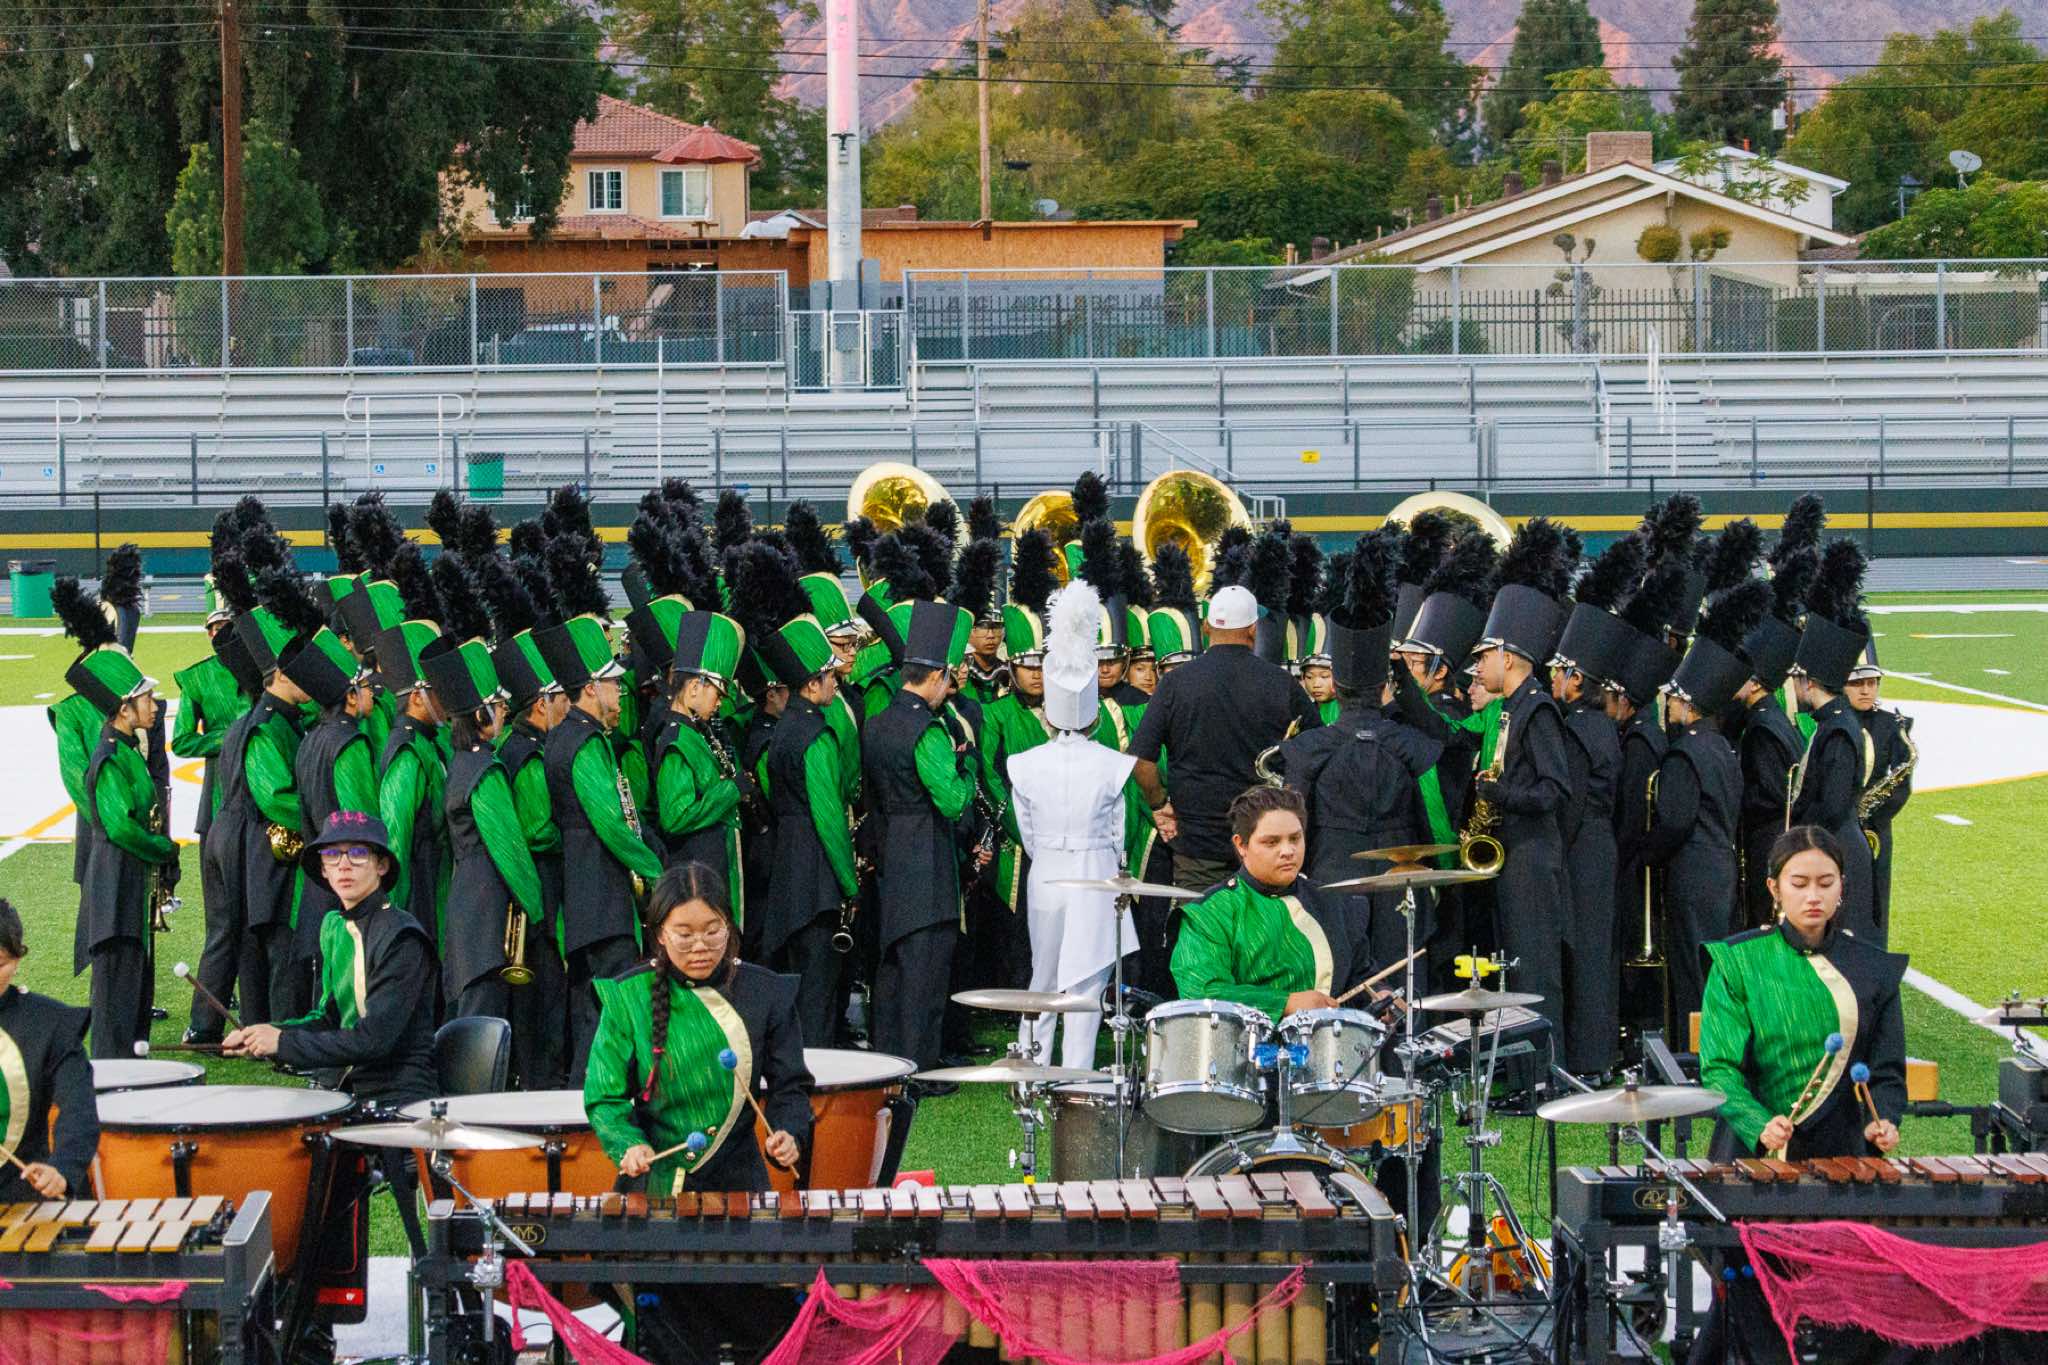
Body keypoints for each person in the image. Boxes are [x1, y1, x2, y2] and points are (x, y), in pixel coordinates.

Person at [1690, 826, 1907, 1365]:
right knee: (1750, 1298)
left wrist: (1885, 1119)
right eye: (1800, 883)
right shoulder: (1739, 962)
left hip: (1845, 1155)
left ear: (1842, 887)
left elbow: (1886, 1072)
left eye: (1825, 883)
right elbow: (1718, 1070)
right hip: (1755, 1156)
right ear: (1774, 888)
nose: (1813, 896)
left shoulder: (1872, 969)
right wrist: (1758, 1121)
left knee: (1850, 1303)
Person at [585, 862, 813, 1364]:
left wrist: (789, 1133)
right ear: (659, 934)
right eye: (683, 934)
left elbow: (791, 1088)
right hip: (653, 1190)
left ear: (729, 926)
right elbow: (604, 1098)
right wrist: (627, 1144)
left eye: (712, 931)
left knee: (753, 1329)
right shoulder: (627, 996)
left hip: (738, 1188)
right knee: (665, 1338)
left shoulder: (766, 992)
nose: (700, 946)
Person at [1272, 533, 1446, 969]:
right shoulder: (1417, 750)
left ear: (1337, 686)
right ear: (1384, 684)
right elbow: (1437, 820)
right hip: (1401, 887)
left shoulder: (1306, 749)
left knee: (1338, 985)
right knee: (1402, 984)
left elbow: (1294, 826)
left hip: (1330, 886)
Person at [226, 811, 439, 1104]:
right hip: (346, 1086)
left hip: (398, 1095)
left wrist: (283, 1043)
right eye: (332, 855)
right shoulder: (334, 926)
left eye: (358, 853)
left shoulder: (402, 937)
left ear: (382, 865)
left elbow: (373, 1040)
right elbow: (329, 1018)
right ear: (324, 870)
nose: (344, 865)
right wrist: (270, 1032)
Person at [1008, 581, 1135, 1071]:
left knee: (1042, 973)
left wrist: (1051, 851)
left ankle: (1033, 1066)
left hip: (1046, 871)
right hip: (1095, 871)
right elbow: (1119, 833)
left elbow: (1027, 832)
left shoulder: (1024, 764)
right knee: (1087, 982)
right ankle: (1076, 1073)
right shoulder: (1112, 764)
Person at [1464, 519, 1576, 1040]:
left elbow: (1555, 789)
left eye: (1484, 656)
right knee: (1516, 966)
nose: (1479, 667)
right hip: (1515, 854)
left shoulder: (1538, 709)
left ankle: (1545, 1066)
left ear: (1507, 657)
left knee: (1535, 971)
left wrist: (1499, 793)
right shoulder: (1512, 706)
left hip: (1533, 857)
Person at [540, 611, 665, 1078]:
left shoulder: (564, 735)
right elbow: (611, 823)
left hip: (582, 894)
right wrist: (656, 872)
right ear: (591, 688)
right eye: (611, 683)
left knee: (590, 1010)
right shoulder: (586, 742)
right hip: (601, 894)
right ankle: (592, 1098)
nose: (619, 691)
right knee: (608, 1010)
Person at [1132, 583, 1318, 893]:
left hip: (1197, 844)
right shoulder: (1281, 683)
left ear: (1206, 627)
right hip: (1262, 843)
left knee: (1202, 922)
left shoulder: (1175, 683)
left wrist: (1159, 804)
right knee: (1262, 924)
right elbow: (1316, 749)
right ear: (1253, 630)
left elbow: (1141, 760)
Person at [1639, 584, 1762, 1036]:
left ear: (1688, 704)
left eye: (1673, 699)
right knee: (1718, 965)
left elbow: (1675, 821)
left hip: (1691, 873)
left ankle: (1694, 1053)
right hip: (1722, 868)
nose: (1669, 705)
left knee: (1692, 969)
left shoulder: (1684, 752)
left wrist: (1644, 853)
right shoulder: (1722, 747)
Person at [863, 600, 980, 1075]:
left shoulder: (876, 723)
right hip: (927, 857)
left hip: (890, 850)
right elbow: (951, 800)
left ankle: (888, 1057)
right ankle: (921, 1067)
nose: (949, 690)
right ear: (934, 676)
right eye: (947, 680)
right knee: (927, 971)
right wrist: (966, 766)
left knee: (895, 967)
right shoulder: (927, 730)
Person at [65, 606, 178, 1061]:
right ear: (123, 709)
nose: (154, 704)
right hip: (115, 885)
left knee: (134, 986)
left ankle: (132, 1069)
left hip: (129, 883)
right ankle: (113, 1076)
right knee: (115, 993)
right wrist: (164, 848)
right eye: (145, 698)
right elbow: (118, 826)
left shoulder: (127, 750)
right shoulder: (111, 756)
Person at [753, 609, 860, 1053]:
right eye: (829, 675)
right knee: (817, 994)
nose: (835, 682)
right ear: (812, 685)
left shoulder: (783, 729)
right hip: (816, 876)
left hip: (787, 866)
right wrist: (849, 882)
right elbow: (829, 817)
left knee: (795, 987)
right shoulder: (816, 734)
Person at [424, 637, 545, 1023]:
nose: (505, 710)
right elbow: (510, 848)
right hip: (486, 903)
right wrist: (537, 910)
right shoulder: (484, 770)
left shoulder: (461, 761)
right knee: (482, 1014)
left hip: (466, 896)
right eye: (497, 704)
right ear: (480, 715)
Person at [278, 618, 379, 1022]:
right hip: (348, 885)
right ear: (351, 697)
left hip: (320, 880)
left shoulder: (311, 740)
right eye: (365, 685)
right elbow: (363, 824)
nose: (371, 691)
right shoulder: (349, 743)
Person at [494, 624, 571, 1089]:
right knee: (544, 993)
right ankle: (541, 1081)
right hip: (539, 884)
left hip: (533, 884)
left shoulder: (514, 744)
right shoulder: (529, 754)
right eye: (561, 697)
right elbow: (538, 829)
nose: (568, 706)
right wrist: (578, 831)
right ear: (541, 703)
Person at [1789, 541, 1877, 941]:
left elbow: (1834, 804)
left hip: (1837, 851)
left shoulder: (1837, 730)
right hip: (1831, 848)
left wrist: (1800, 836)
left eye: (1797, 679)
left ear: (1809, 682)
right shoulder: (1833, 722)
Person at [0, 900, 97, 1202]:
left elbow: (78, 1107)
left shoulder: (49, 1024)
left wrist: (62, 1169)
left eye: (0, 964)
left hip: (20, 1195)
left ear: (18, 959)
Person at [652, 612, 747, 907]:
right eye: (717, 694)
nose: (719, 703)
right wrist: (732, 790)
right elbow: (676, 817)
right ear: (695, 687)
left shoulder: (694, 732)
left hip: (710, 864)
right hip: (698, 869)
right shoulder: (677, 739)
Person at [1732, 560, 1808, 929]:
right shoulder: (1776, 717)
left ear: (1755, 683)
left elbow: (1770, 794)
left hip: (1768, 839)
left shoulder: (1761, 728)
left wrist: (1734, 798)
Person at [376, 619, 449, 932]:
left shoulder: (427, 741)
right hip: (419, 890)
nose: (447, 696)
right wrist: (393, 917)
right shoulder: (407, 750)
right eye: (438, 690)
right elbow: (396, 836)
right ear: (417, 697)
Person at [1846, 644, 1913, 944]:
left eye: (1871, 683)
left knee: (1876, 899)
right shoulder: (1831, 719)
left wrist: (1871, 817)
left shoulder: (1892, 724)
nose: (1866, 690)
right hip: (1839, 824)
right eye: (1857, 683)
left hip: (1875, 827)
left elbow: (1901, 786)